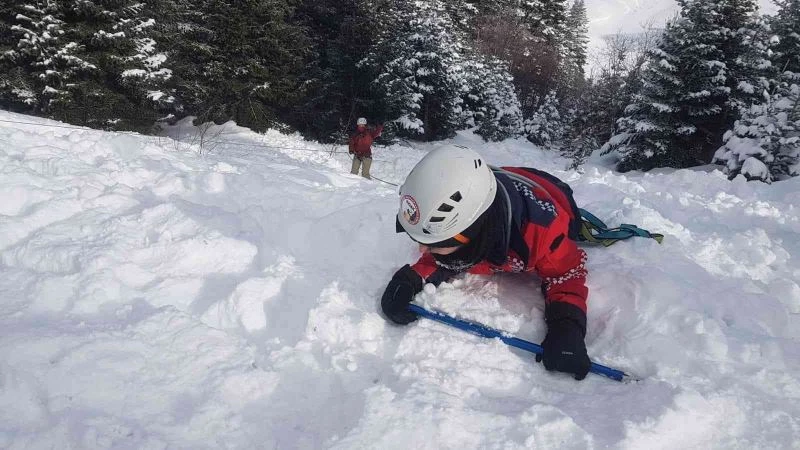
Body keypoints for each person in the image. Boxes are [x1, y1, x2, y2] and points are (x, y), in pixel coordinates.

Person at [382, 145, 592, 380]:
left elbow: (567, 273)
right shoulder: (469, 218)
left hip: (553, 192)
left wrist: (567, 326)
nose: (422, 250)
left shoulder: (542, 232)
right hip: (503, 180)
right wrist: (411, 278)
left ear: (471, 232)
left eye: (433, 242)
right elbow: (446, 255)